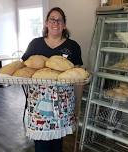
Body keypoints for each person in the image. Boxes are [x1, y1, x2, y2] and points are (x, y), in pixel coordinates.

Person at [21, 7, 83, 152]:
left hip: (63, 103)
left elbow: (78, 78)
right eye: (52, 19)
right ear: (46, 23)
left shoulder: (72, 46)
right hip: (39, 105)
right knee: (41, 144)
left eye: (59, 20)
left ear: (64, 25)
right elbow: (24, 69)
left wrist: (78, 106)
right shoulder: (35, 44)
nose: (55, 22)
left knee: (57, 144)